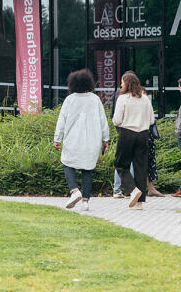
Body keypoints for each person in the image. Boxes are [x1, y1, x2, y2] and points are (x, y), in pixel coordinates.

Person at [53, 69, 110, 212]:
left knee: (67, 163)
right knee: (87, 169)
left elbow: (61, 121)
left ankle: (74, 191)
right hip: (92, 141)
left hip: (72, 140)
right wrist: (106, 139)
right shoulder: (95, 99)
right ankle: (85, 202)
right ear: (89, 83)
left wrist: (57, 139)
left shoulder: (69, 100)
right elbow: (103, 121)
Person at [112, 70, 155, 210]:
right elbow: (151, 120)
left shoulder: (122, 98)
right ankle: (139, 203)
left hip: (127, 133)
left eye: (122, 82)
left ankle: (133, 190)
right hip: (143, 134)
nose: (120, 85)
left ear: (127, 84)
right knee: (141, 167)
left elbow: (117, 120)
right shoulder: (145, 99)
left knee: (120, 164)